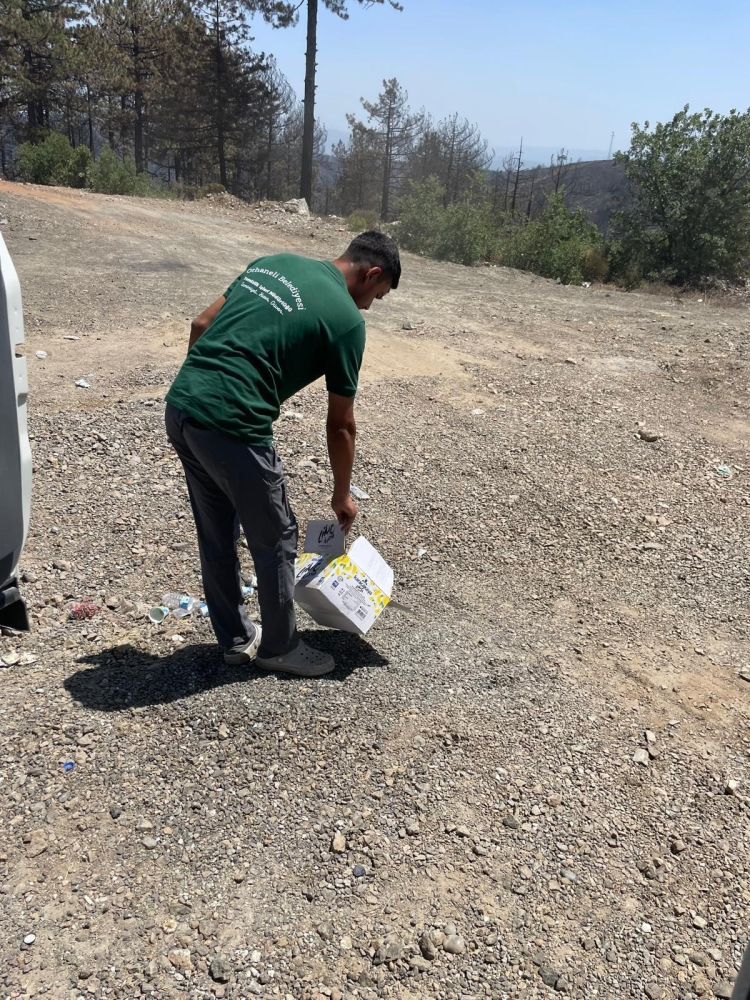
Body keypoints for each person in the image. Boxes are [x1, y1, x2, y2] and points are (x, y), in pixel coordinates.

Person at [164, 231, 401, 678]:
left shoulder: (274, 262)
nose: (370, 306)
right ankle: (280, 647)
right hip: (235, 423)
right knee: (276, 536)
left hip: (182, 407)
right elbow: (341, 424)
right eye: (378, 295)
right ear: (372, 274)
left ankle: (236, 639)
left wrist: (202, 392)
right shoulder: (348, 322)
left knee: (216, 531)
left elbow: (200, 324)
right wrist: (342, 494)